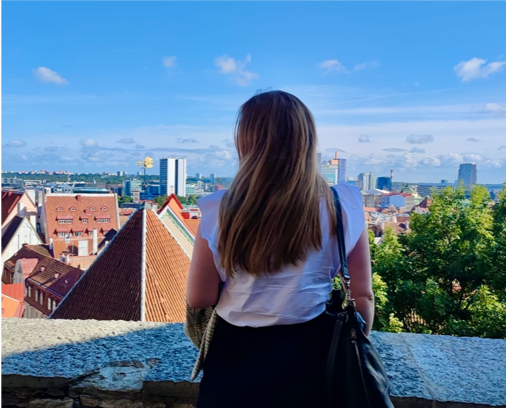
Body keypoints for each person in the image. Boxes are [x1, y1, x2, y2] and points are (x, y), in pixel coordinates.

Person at [186, 90, 374, 408]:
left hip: (234, 357)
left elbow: (199, 298)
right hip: (312, 353)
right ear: (306, 140)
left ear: (245, 142)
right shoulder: (344, 203)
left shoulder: (218, 208)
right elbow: (363, 295)